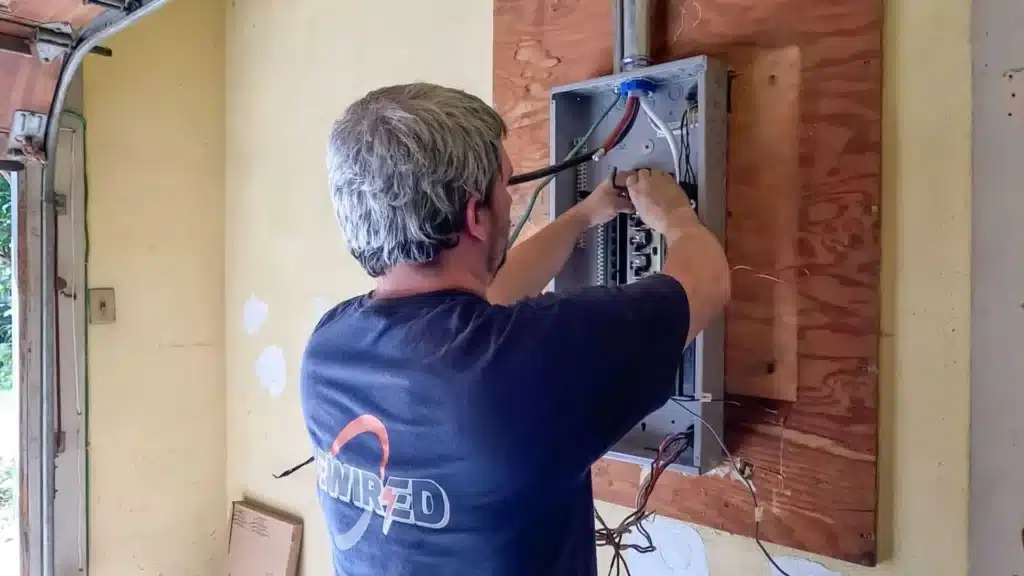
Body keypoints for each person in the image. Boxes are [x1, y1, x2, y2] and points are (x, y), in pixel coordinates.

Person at [300, 83, 730, 576]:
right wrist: (674, 214)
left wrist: (586, 215)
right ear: (474, 214)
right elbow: (708, 282)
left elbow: (481, 306)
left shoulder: (327, 351)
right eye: (504, 185)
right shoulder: (518, 366)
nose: (509, 199)